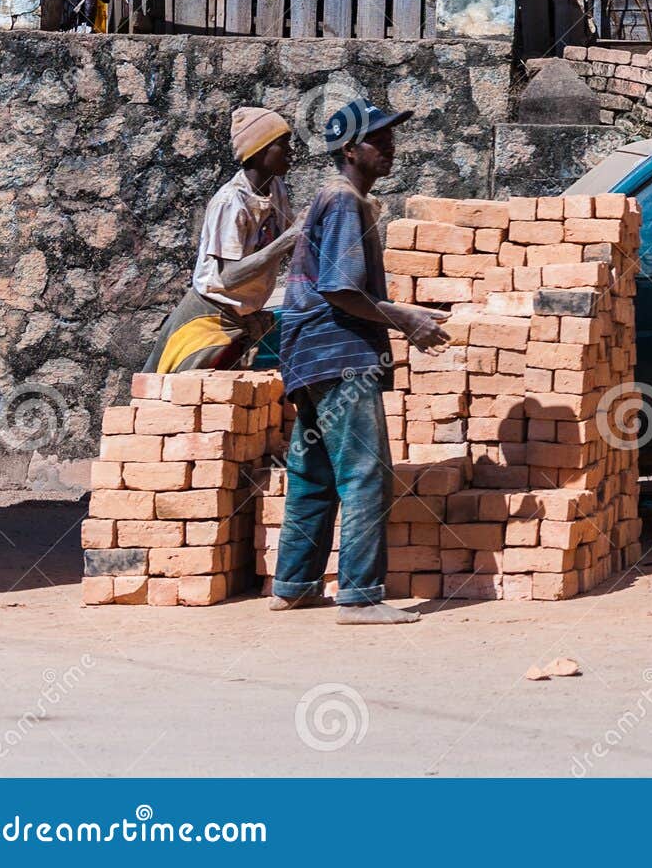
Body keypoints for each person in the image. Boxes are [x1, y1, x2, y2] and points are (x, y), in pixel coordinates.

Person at [270, 99, 451, 625]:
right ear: (350, 151)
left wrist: (396, 315)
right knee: (366, 473)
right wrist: (406, 320)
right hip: (339, 355)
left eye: (391, 135)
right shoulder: (346, 200)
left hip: (308, 357)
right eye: (380, 139)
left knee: (314, 474)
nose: (391, 146)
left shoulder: (333, 199)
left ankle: (295, 585)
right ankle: (360, 597)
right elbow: (342, 290)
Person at [144, 107, 299, 375]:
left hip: (243, 319)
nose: (291, 151)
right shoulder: (231, 203)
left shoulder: (276, 189)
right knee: (170, 397)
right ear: (260, 151)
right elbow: (229, 276)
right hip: (208, 320)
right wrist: (289, 239)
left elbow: (292, 243)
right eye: (282, 145)